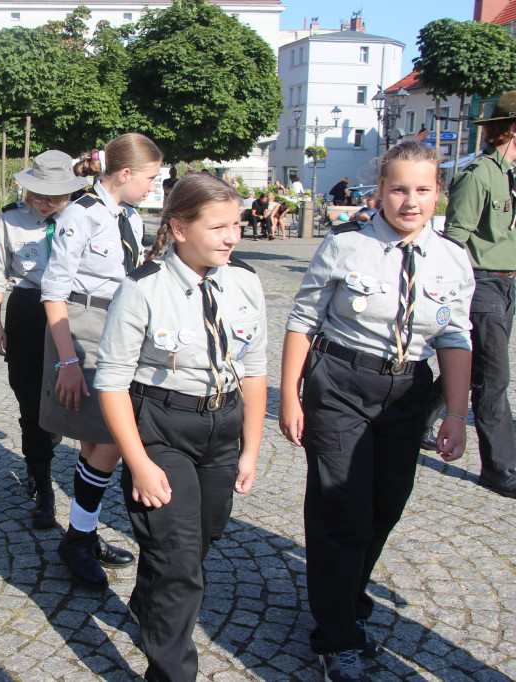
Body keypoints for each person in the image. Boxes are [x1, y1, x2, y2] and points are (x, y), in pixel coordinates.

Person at [279, 141, 473, 682]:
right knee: (341, 509)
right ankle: (337, 635)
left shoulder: (453, 259)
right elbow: (302, 319)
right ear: (380, 191)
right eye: (398, 189)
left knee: (385, 506)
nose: (410, 201)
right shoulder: (346, 245)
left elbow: (456, 335)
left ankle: (343, 594)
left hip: (409, 390)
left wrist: (455, 413)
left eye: (422, 190)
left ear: (438, 193)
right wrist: (290, 396)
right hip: (339, 383)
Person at [96, 172, 267, 681]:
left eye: (235, 224)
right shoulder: (143, 288)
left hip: (222, 427)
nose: (232, 237)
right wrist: (139, 463)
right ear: (179, 227)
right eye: (218, 227)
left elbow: (255, 369)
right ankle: (171, 672)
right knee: (179, 563)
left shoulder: (245, 282)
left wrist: (251, 449)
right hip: (161, 429)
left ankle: (147, 601)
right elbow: (111, 383)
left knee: (202, 536)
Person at [40, 132, 162, 588]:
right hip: (84, 329)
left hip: (120, 328)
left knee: (100, 440)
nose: (154, 186)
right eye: (150, 177)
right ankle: (78, 538)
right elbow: (54, 291)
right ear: (125, 173)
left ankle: (81, 536)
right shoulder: (81, 214)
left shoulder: (128, 216)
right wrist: (66, 363)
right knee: (112, 435)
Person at [420, 90, 516, 498]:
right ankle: (502, 469)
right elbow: (455, 241)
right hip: (482, 283)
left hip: (508, 282)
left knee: (475, 367)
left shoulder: (511, 175)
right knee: (493, 377)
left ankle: (417, 417)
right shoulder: (478, 175)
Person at [0, 151, 86, 529]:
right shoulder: (11, 219)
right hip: (28, 309)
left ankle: (45, 446)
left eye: (54, 196)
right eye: (38, 194)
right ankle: (42, 484)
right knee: (30, 402)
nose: (44, 203)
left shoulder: (83, 218)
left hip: (69, 311)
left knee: (64, 401)